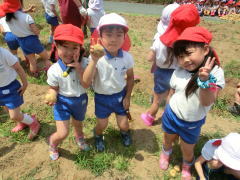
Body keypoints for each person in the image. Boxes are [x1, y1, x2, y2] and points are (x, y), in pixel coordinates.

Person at [159, 26, 225, 180]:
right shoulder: (179, 71)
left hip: (192, 122)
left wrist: (204, 81)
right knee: (168, 138)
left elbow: (207, 101)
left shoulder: (215, 73)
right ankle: (166, 152)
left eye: (189, 53)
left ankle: (187, 165)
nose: (185, 60)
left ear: (205, 49)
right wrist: (166, 108)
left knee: (187, 148)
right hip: (171, 114)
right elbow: (172, 92)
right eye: (180, 56)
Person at [141, 4, 200, 126]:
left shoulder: (159, 38)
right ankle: (166, 118)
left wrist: (154, 61)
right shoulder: (184, 42)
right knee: (171, 96)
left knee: (157, 99)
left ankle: (150, 116)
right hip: (177, 73)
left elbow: (150, 57)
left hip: (161, 72)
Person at [83, 13, 134, 152]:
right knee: (102, 124)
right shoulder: (96, 57)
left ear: (125, 37)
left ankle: (125, 134)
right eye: (109, 34)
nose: (114, 39)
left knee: (124, 125)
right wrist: (93, 61)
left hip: (120, 96)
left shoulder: (127, 58)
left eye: (119, 34)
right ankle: (98, 136)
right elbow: (86, 83)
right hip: (102, 98)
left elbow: (130, 77)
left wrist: (128, 96)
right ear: (100, 37)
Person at [46, 24, 96, 160]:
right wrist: (52, 95)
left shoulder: (86, 63)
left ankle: (79, 138)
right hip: (62, 102)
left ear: (80, 48)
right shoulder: (54, 70)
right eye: (65, 47)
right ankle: (53, 143)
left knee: (78, 123)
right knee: (63, 132)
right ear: (56, 46)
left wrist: (80, 69)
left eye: (74, 48)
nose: (69, 52)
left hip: (80, 100)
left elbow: (87, 84)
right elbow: (53, 88)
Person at [0, 0, 51, 77]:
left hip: (21, 41)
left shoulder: (8, 19)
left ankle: (35, 74)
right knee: (46, 57)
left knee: (32, 61)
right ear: (19, 5)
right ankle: (49, 73)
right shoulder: (26, 16)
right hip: (32, 40)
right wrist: (37, 32)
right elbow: (35, 31)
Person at [0, 47, 40, 140]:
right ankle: (22, 122)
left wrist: (25, 83)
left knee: (14, 115)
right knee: (7, 109)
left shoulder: (3, 53)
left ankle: (33, 122)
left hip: (10, 87)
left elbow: (18, 67)